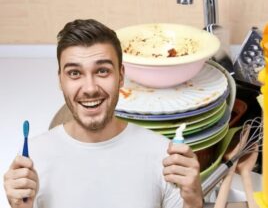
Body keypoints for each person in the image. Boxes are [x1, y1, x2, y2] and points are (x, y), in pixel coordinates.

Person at [3, 19, 203, 208]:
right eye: (75, 73)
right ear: (60, 80)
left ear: (121, 76)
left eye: (102, 71)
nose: (90, 88)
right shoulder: (32, 160)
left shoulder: (163, 156)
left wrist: (193, 200)